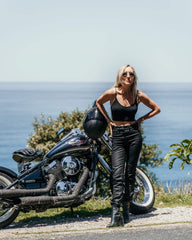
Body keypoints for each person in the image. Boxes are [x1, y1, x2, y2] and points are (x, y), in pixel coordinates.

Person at [96, 64, 161, 227]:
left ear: (134, 77)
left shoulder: (138, 95)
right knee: (117, 174)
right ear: (120, 76)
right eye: (125, 73)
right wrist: (109, 122)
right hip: (117, 136)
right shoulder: (112, 92)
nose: (128, 76)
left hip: (133, 135)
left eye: (131, 74)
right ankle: (115, 212)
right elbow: (98, 103)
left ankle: (125, 210)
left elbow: (156, 108)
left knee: (130, 174)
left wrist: (141, 120)